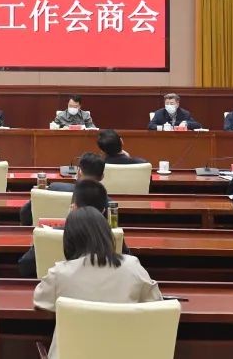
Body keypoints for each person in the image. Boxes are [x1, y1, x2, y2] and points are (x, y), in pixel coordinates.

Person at [32, 206, 161, 359]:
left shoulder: (60, 273)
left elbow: (40, 300)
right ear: (107, 235)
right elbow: (156, 302)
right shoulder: (133, 267)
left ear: (69, 241)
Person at [18, 179, 124, 277]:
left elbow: (25, 266)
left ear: (73, 207)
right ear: (103, 211)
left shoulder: (47, 235)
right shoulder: (112, 236)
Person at [18, 153, 105, 226]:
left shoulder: (54, 188)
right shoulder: (106, 202)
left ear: (79, 172)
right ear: (102, 177)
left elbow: (25, 214)